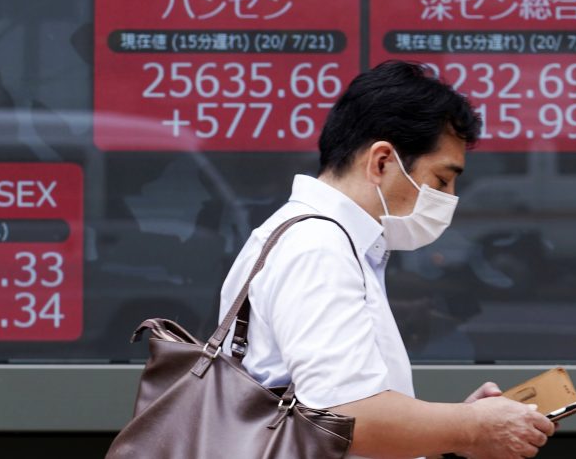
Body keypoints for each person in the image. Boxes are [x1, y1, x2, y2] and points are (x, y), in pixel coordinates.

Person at [217, 60, 555, 458]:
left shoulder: (323, 239)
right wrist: (473, 427)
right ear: (381, 162)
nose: (448, 197)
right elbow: (345, 414)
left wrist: (457, 424)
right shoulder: (318, 245)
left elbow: (344, 407)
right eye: (442, 179)